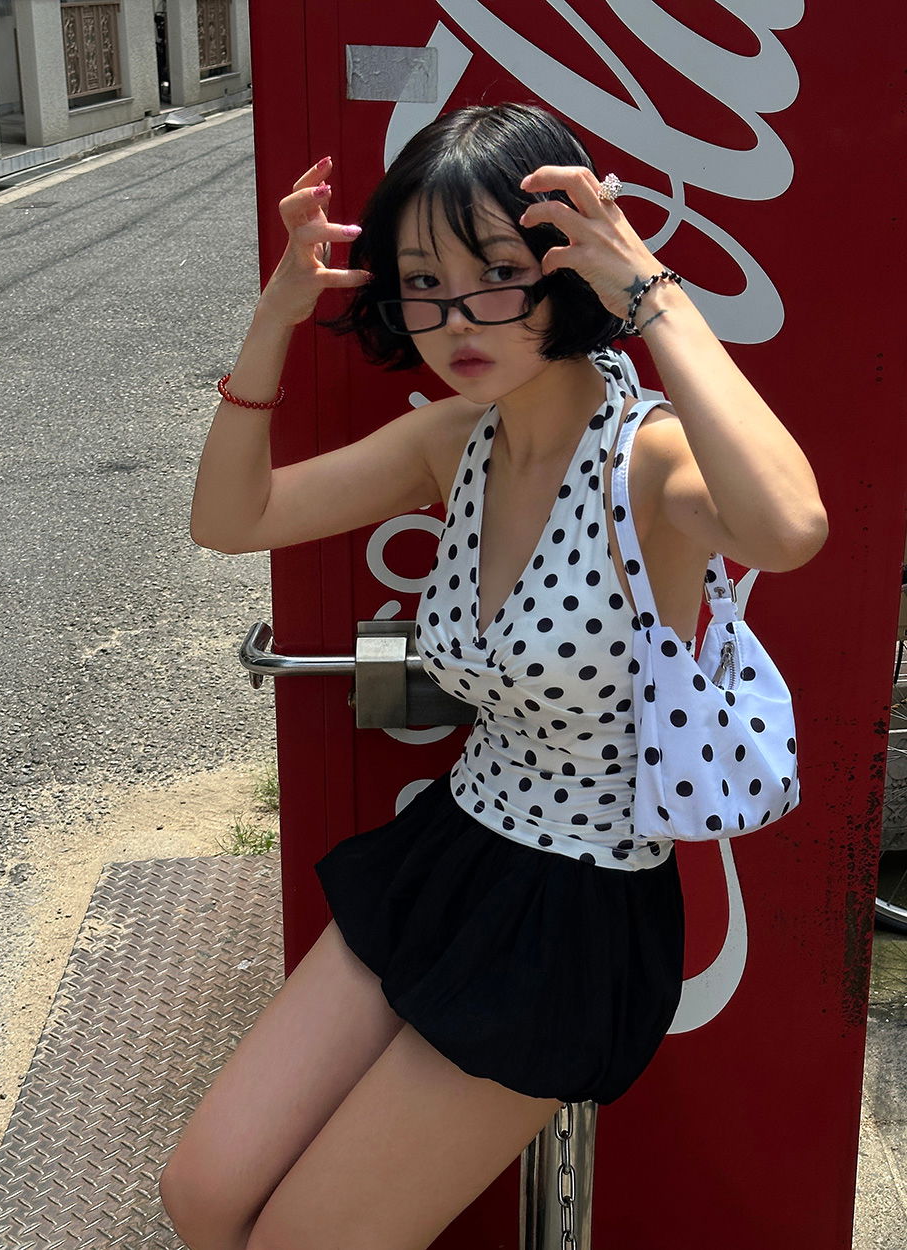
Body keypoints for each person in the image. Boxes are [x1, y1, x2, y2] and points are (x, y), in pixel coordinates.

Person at [159, 102, 828, 1250]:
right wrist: (276, 315)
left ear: (565, 271)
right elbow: (231, 519)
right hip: (455, 847)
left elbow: (790, 527)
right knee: (203, 1193)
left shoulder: (647, 455)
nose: (457, 318)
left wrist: (652, 293)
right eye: (424, 284)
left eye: (497, 276)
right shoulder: (455, 438)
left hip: (573, 912)